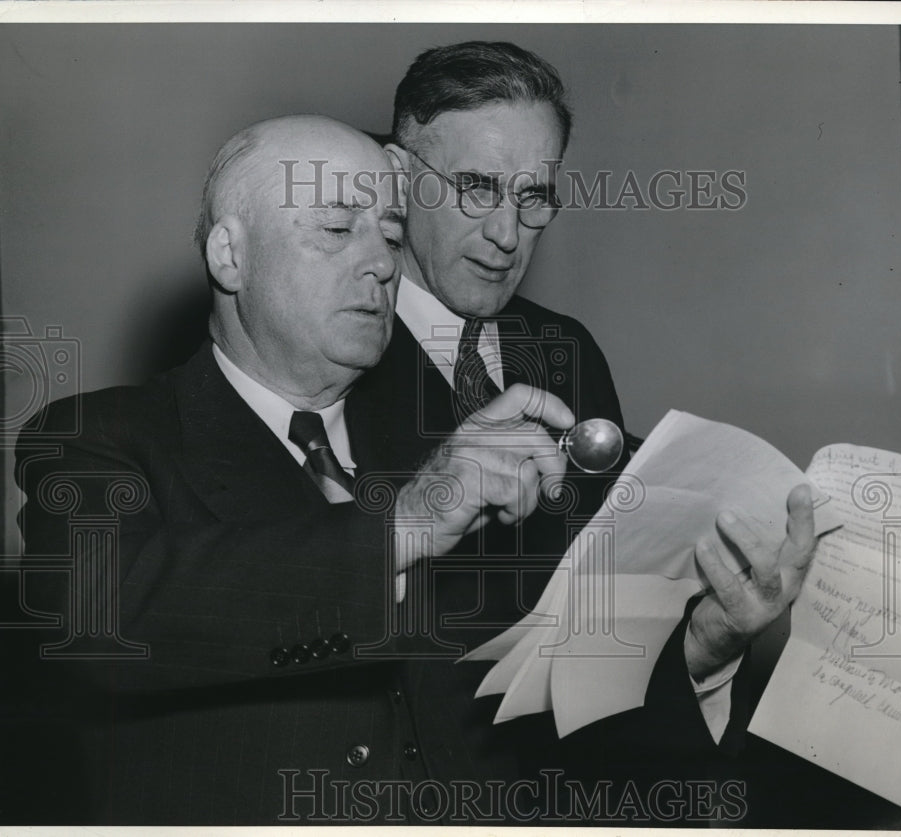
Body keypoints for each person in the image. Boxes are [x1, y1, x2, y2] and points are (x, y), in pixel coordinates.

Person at [9, 114, 578, 825]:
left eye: (393, 235)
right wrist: (400, 525)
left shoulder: (430, 444)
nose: (382, 264)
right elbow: (102, 624)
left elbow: (535, 712)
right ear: (230, 255)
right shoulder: (99, 437)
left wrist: (698, 643)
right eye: (338, 230)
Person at [345, 40, 818, 814]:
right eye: (477, 187)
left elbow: (600, 639)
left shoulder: (563, 350)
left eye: (535, 195)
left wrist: (710, 640)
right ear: (398, 176)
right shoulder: (337, 351)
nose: (509, 232)